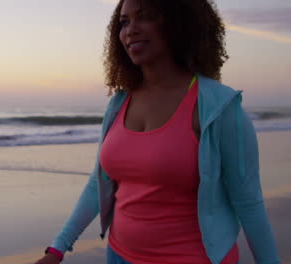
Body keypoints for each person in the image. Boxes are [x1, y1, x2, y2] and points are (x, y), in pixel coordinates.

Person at [34, 0, 280, 263]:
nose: (131, 30)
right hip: (119, 256)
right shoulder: (119, 103)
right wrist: (57, 249)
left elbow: (249, 204)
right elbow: (99, 183)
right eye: (124, 22)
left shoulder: (218, 108)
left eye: (145, 17)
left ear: (178, 23)